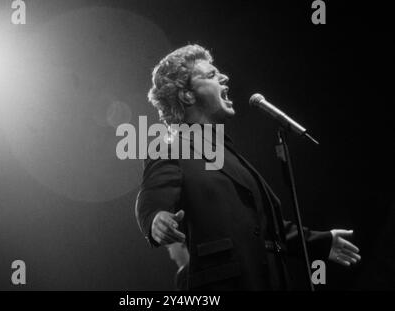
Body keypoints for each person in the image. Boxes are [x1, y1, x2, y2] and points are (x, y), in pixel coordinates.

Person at [135, 44, 361, 290]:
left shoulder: (223, 149)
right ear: (187, 95)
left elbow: (261, 225)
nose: (224, 77)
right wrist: (155, 219)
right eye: (211, 75)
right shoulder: (172, 146)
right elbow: (150, 201)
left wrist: (321, 242)